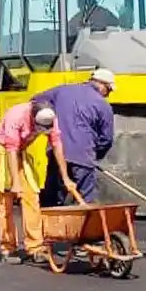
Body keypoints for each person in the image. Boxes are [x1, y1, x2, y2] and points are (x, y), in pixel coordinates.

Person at [0, 102, 74, 265]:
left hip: (20, 150)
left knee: (31, 197)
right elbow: (11, 150)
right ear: (33, 117)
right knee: (5, 199)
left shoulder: (50, 117)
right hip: (2, 151)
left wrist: (66, 177)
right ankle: (8, 247)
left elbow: (57, 145)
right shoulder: (15, 117)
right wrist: (15, 182)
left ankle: (35, 246)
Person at [34, 68, 117, 206]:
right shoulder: (103, 105)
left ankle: (50, 224)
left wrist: (47, 123)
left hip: (56, 152)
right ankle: (80, 226)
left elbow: (36, 101)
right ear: (103, 85)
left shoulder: (62, 91)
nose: (108, 95)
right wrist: (95, 155)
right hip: (83, 156)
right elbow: (106, 139)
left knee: (52, 199)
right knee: (84, 200)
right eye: (109, 90)